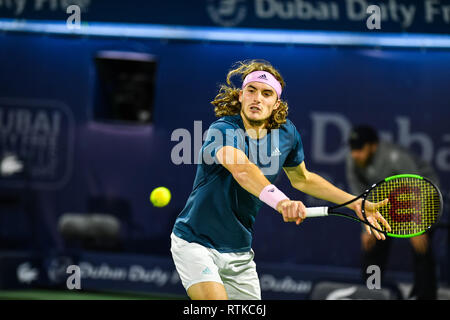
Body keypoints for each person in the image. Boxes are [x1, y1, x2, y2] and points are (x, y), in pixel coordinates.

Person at [170, 60, 390, 300]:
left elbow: (303, 179)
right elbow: (242, 170)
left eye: (266, 94)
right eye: (251, 91)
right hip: (196, 243)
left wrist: (354, 202)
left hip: (240, 252)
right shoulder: (222, 130)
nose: (258, 98)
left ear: (276, 104)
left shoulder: (287, 134)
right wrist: (282, 202)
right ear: (240, 96)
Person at [346, 125, 439, 300]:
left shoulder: (395, 158)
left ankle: (425, 296)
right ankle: (372, 291)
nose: (355, 154)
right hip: (385, 201)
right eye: (353, 149)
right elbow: (360, 198)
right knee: (372, 244)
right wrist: (366, 226)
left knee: (420, 248)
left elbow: (418, 188)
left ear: (373, 146)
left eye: (360, 149)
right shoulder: (353, 161)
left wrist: (417, 226)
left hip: (422, 195)